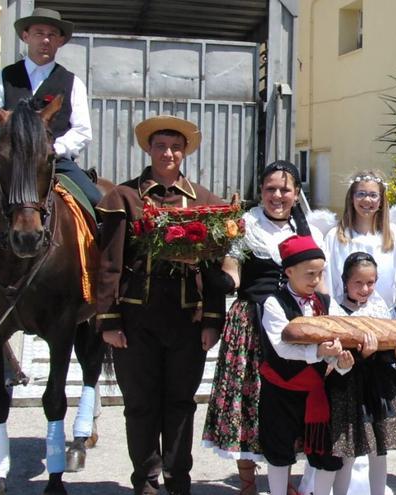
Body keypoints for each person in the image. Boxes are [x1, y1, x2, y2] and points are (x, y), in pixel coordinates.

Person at [0, 8, 101, 330]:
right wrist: (3, 149)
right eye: (39, 33)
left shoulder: (70, 82)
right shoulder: (2, 78)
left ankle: (99, 291)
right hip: (6, 162)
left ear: (60, 41)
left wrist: (50, 151)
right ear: (25, 37)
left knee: (101, 208)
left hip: (54, 163)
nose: (45, 40)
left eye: (52, 35)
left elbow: (82, 130)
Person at [95, 115, 231, 495]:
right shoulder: (123, 198)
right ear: (148, 150)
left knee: (181, 404)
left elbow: (215, 268)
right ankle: (146, 480)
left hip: (187, 323)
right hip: (136, 322)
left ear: (184, 152)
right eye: (160, 146)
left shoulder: (205, 201)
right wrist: (108, 320)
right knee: (139, 406)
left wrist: (212, 321)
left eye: (175, 146)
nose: (168, 153)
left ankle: (178, 480)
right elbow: (108, 263)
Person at [202, 161, 322, 494]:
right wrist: (206, 267)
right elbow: (233, 275)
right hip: (252, 323)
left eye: (285, 189)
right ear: (261, 192)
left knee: (290, 400)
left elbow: (320, 281)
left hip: (296, 324)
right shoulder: (244, 225)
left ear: (296, 193)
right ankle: (247, 483)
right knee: (250, 400)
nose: (277, 195)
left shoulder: (309, 229)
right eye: (270, 189)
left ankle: (282, 480)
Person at [259, 234, 354, 495]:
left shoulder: (324, 302)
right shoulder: (274, 303)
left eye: (320, 274)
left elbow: (341, 335)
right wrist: (318, 351)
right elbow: (282, 347)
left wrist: (341, 361)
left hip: (317, 390)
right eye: (309, 274)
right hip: (281, 388)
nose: (315, 280)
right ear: (289, 271)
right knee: (279, 450)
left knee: (327, 452)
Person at [319, 252, 396, 495]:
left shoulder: (379, 307)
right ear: (345, 281)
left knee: (378, 448)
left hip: (379, 386)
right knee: (348, 450)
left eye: (371, 282)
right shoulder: (335, 309)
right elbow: (334, 355)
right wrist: (361, 356)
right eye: (358, 283)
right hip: (349, 387)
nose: (365, 288)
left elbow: (388, 349)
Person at [323, 170, 396, 317]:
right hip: (346, 317)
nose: (367, 200)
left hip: (384, 319)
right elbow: (329, 281)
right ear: (351, 198)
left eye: (373, 195)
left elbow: (395, 281)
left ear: (381, 201)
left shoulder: (391, 238)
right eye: (361, 194)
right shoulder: (335, 237)